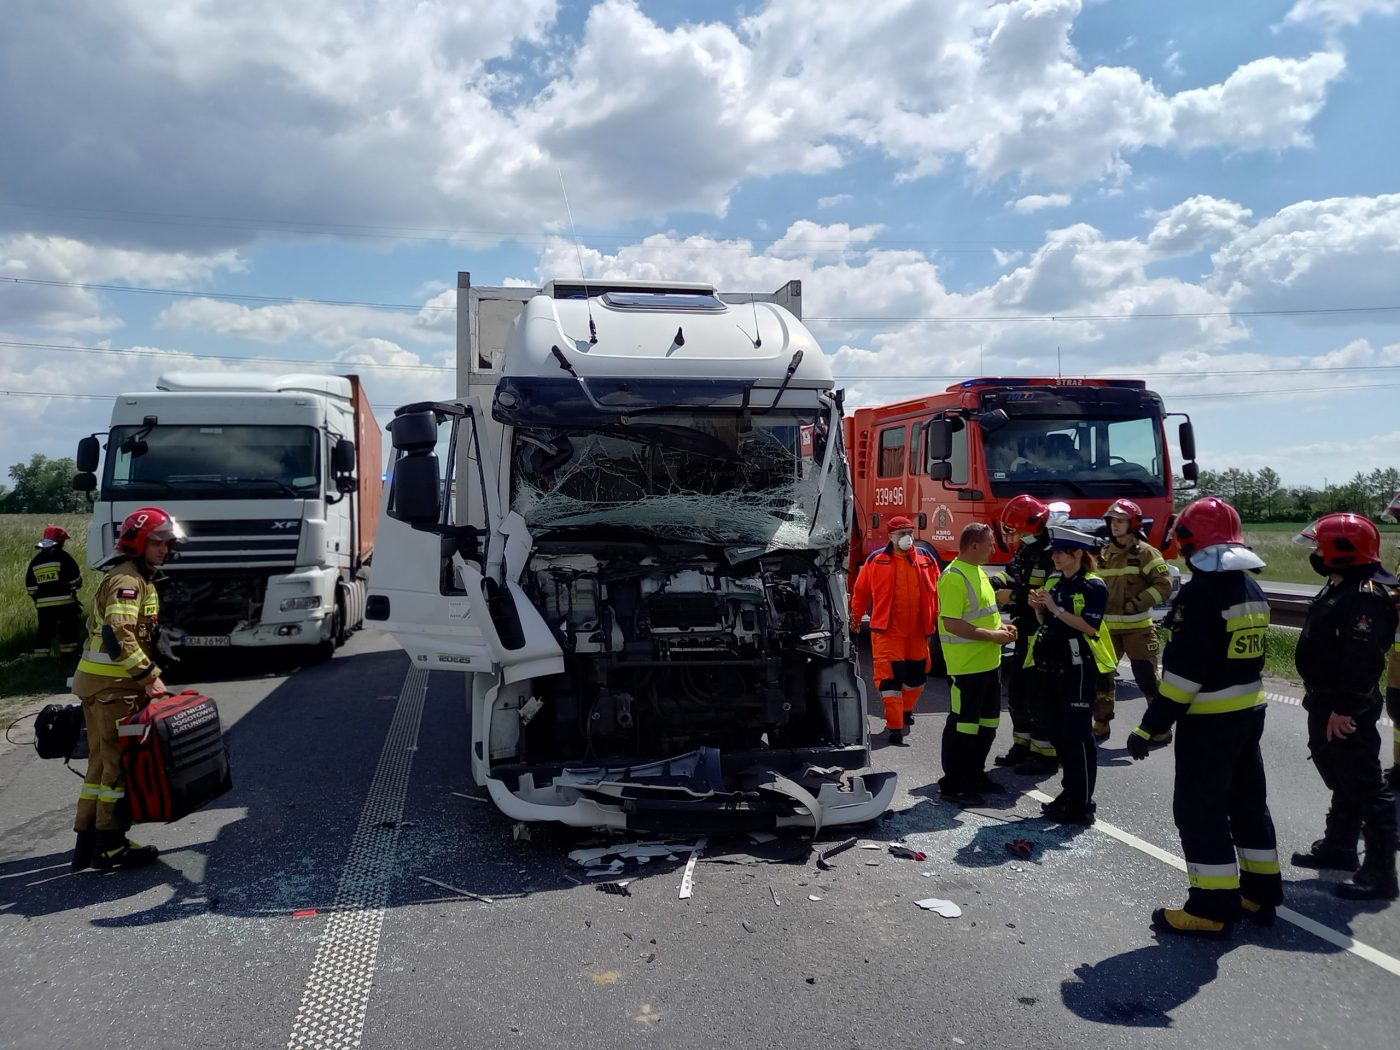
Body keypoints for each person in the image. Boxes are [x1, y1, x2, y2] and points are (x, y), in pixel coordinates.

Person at [1124, 496, 1282, 937]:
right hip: (1250, 715)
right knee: (1248, 804)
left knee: (1200, 811)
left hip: (1209, 722)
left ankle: (1211, 908)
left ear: (1191, 543)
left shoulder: (1198, 596)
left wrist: (1148, 727)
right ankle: (1260, 893)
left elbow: (1182, 677)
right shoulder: (1251, 588)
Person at [1291, 513, 1398, 901]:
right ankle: (1339, 847)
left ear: (1341, 552)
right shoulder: (1340, 585)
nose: (1316, 552)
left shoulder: (1364, 595)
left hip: (1345, 704)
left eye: (1321, 546)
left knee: (1365, 782)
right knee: (1340, 774)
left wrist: (1345, 708)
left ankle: (1381, 872)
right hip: (1326, 700)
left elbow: (1363, 659)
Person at [70, 506, 182, 873]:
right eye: (157, 542)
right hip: (113, 689)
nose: (165, 549)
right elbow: (120, 634)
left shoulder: (136, 576)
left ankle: (87, 841)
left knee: (101, 765)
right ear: (137, 543)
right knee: (115, 768)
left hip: (105, 687)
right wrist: (150, 677)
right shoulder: (128, 581)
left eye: (168, 543)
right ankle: (111, 847)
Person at [1029, 526, 1115, 825]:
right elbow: (1049, 620)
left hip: (1080, 666)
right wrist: (1040, 609)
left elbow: (1090, 626)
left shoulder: (1093, 586)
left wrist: (1054, 607)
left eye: (1060, 552)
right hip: (1053, 665)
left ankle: (1082, 803)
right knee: (1057, 732)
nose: (1054, 557)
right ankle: (1069, 792)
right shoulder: (1056, 582)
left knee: (1077, 736)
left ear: (1077, 554)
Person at [936, 522, 1016, 803]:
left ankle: (975, 774)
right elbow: (953, 624)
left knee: (987, 724)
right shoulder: (953, 576)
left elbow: (983, 614)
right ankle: (954, 783)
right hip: (966, 667)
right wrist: (993, 635)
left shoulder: (979, 572)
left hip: (988, 662)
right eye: (990, 544)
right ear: (974, 546)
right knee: (963, 725)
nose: (994, 548)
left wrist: (1003, 629)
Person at [849, 515, 941, 745]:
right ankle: (894, 726)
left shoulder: (926, 559)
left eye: (909, 532)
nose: (907, 538)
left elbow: (940, 589)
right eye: (901, 534)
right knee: (891, 679)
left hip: (918, 631)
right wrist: (855, 619)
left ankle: (905, 711)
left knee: (917, 677)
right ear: (890, 537)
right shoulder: (876, 560)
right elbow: (860, 592)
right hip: (888, 632)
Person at [989, 494, 1059, 775]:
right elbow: (1012, 574)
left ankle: (1045, 755)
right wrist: (993, 581)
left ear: (1033, 525)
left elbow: (1049, 595)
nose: (1013, 536)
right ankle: (1023, 745)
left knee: (1040, 695)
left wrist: (1014, 595)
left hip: (1045, 633)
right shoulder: (1025, 550)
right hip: (1024, 630)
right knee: (1017, 691)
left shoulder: (1054, 553)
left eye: (1016, 530)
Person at [1094, 498, 1173, 743]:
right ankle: (1100, 724)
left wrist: (1135, 604)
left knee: (1147, 679)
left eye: (1121, 520)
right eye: (1112, 521)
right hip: (1107, 631)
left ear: (1133, 523)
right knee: (1102, 678)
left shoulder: (1146, 553)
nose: (1115, 525)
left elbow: (1164, 585)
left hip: (1138, 629)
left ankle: (1160, 729)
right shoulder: (1105, 554)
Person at [25, 524, 84, 658]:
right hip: (66, 604)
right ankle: (68, 656)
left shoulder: (35, 561)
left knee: (44, 631)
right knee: (69, 629)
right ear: (60, 541)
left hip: (43, 606)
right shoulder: (64, 557)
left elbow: (30, 588)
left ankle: (40, 658)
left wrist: (39, 600)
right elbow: (75, 580)